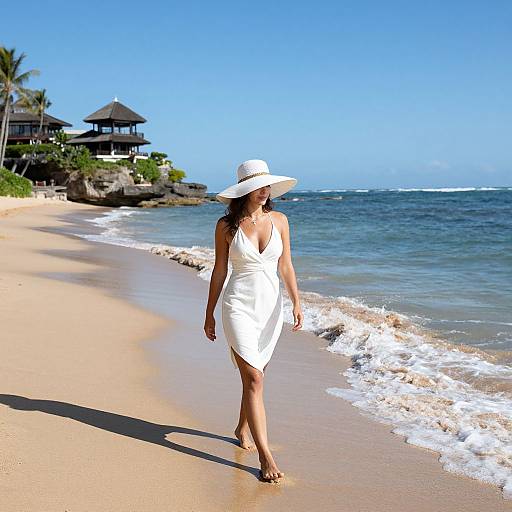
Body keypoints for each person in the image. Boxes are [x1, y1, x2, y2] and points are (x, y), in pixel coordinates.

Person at [204, 159, 304, 483]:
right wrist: (209, 313)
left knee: (255, 378)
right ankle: (265, 456)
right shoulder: (225, 226)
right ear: (245, 190)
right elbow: (220, 270)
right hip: (238, 306)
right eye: (259, 186)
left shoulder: (281, 220)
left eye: (267, 186)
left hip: (270, 308)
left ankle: (241, 427)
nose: (265, 191)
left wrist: (296, 302)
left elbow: (286, 266)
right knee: (256, 380)